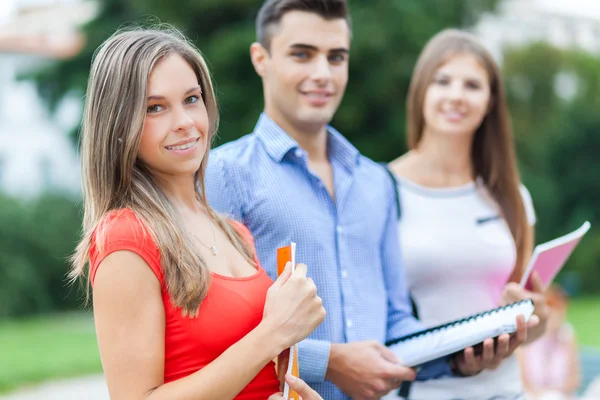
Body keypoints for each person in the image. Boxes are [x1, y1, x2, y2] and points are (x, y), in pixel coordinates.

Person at [205, 2, 531, 399]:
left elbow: (394, 321)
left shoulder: (375, 182)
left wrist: (459, 356)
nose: (322, 73)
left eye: (336, 57)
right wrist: (330, 362)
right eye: (302, 54)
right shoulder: (223, 175)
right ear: (262, 58)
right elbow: (216, 335)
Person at [69, 26, 326, 400]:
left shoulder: (235, 232)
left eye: (192, 99)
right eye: (155, 108)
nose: (185, 122)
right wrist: (273, 333)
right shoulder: (126, 237)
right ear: (119, 125)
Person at [384, 29, 550, 399]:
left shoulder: (512, 198)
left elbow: (532, 319)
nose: (456, 96)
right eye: (443, 81)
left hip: (504, 391)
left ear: (490, 101)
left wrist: (536, 316)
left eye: (472, 85)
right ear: (422, 91)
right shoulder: (378, 189)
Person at [519, 285, 581, 400]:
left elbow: (574, 379)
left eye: (561, 312)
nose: (557, 317)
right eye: (553, 312)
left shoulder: (567, 335)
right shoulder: (528, 336)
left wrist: (556, 391)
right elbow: (522, 379)